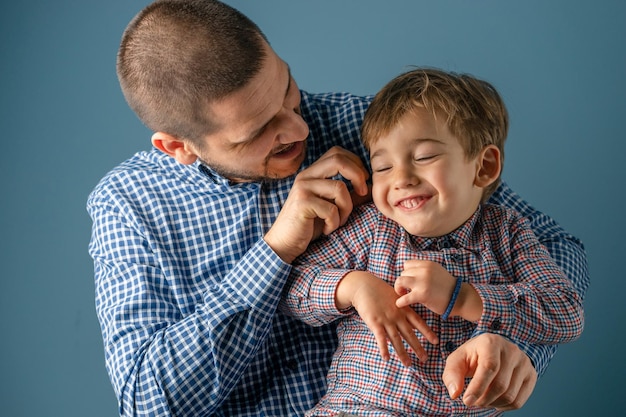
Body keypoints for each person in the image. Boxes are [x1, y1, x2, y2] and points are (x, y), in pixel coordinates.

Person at [86, 1, 589, 416]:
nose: (300, 129)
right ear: (178, 147)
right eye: (260, 133)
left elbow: (554, 251)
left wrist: (513, 343)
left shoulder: (370, 127)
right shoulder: (129, 206)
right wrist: (277, 250)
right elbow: (149, 402)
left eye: (287, 89)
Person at [280, 68, 584, 416]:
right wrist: (353, 287)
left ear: (483, 167)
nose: (402, 179)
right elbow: (292, 289)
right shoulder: (370, 229)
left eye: (424, 158)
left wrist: (464, 296)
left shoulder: (508, 233)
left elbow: (566, 312)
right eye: (382, 167)